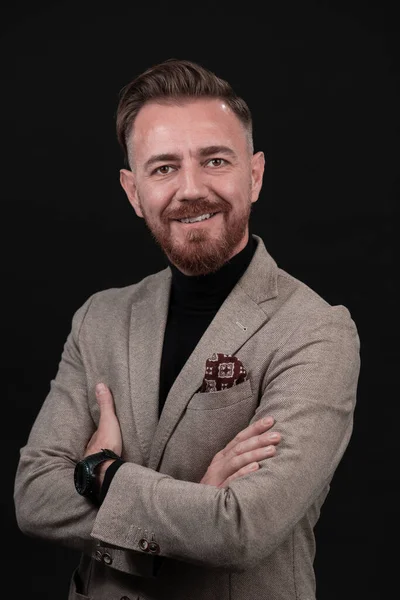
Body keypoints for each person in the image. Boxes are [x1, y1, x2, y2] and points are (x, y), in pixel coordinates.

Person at [14, 58, 360, 600]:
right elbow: (34, 496)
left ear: (256, 174)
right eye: (163, 168)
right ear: (134, 192)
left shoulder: (316, 330)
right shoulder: (98, 317)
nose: (190, 189)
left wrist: (100, 471)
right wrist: (193, 508)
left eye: (215, 160)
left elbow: (242, 528)